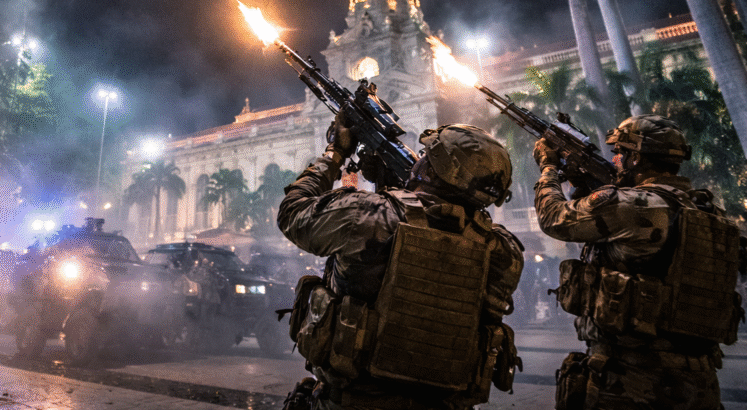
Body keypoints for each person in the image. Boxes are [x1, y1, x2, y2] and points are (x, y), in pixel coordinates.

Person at [278, 113, 524, 410]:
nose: (419, 160)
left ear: (435, 170)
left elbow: (292, 214)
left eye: (426, 156)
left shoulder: (370, 215)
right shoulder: (505, 252)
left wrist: (335, 152)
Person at [533, 114, 746, 410]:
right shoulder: (709, 213)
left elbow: (554, 218)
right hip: (699, 381)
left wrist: (548, 167)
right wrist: (584, 184)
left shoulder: (634, 204)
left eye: (620, 152)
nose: (615, 159)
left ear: (636, 158)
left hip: (632, 380)